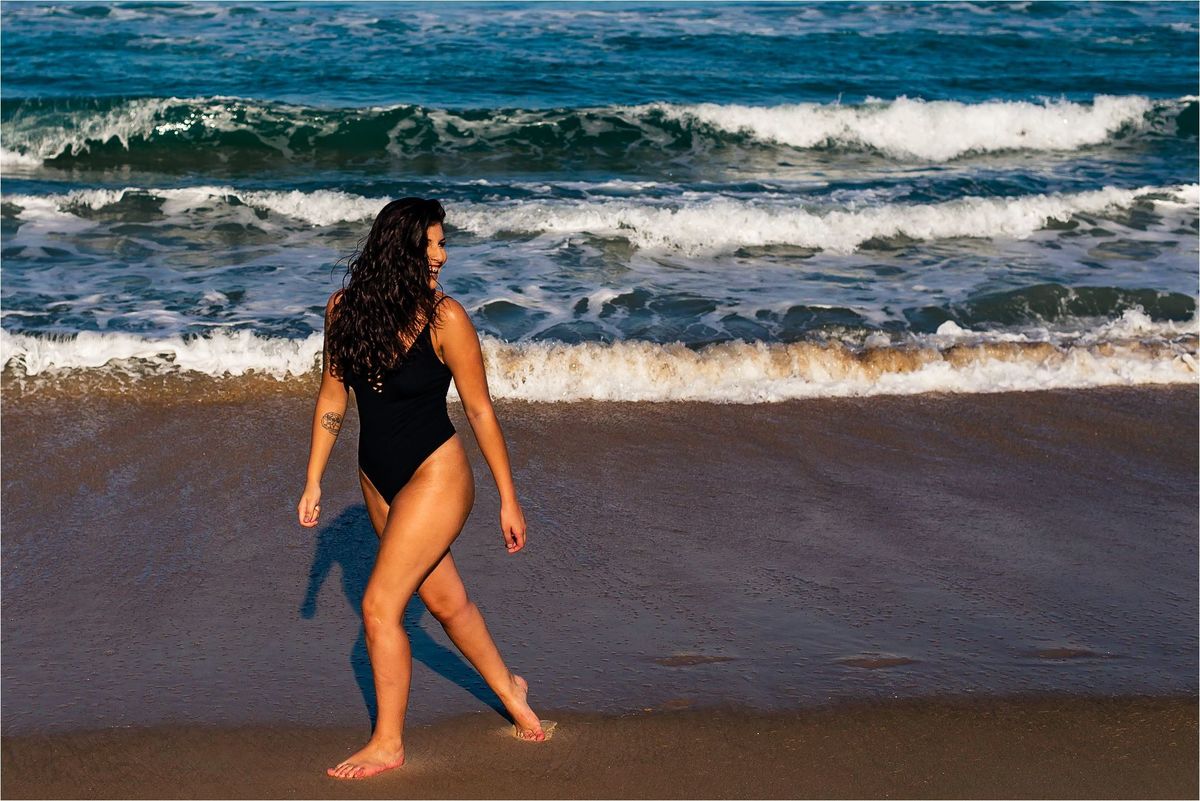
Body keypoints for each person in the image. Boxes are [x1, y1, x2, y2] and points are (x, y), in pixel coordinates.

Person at [297, 197, 547, 780]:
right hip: (377, 478)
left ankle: (388, 743)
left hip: (436, 474)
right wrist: (312, 479)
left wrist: (508, 498)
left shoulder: (446, 319)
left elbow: (480, 411)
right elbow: (333, 397)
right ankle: (509, 689)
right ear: (400, 250)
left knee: (379, 607)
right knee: (445, 601)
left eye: (442, 243)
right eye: (432, 244)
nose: (442, 255)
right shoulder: (344, 310)